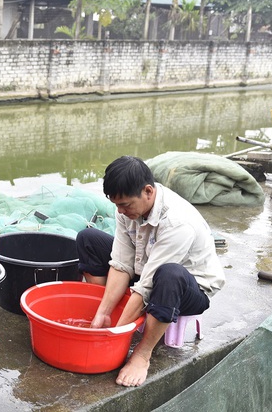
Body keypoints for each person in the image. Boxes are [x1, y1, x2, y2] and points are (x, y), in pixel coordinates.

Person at [75, 156, 225, 387]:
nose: (121, 211)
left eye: (126, 205)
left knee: (169, 274)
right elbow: (121, 262)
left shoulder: (177, 222)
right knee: (89, 239)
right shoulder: (125, 208)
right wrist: (103, 314)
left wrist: (115, 335)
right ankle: (104, 315)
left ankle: (142, 355)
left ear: (148, 191)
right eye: (117, 205)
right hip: (146, 267)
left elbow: (148, 286)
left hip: (188, 287)